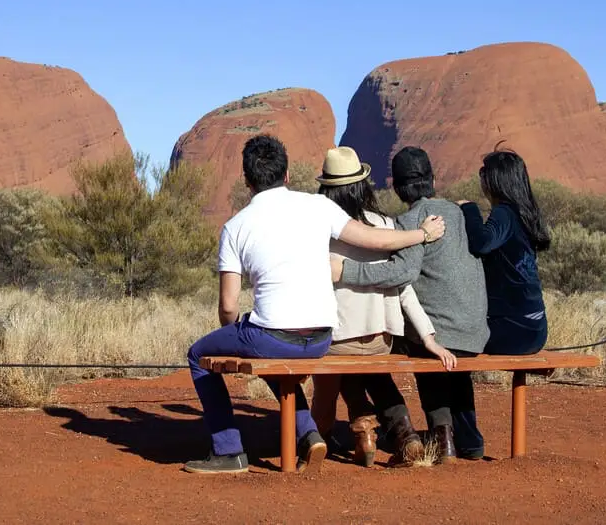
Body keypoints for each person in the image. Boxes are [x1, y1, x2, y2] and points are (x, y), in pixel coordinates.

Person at [183, 135, 446, 475]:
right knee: (271, 350)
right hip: (322, 336)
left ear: (247, 180)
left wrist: (233, 335)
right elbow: (376, 239)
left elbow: (228, 305)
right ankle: (308, 434)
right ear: (288, 174)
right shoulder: (318, 207)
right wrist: (421, 235)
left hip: (273, 336)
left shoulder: (235, 227)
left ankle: (228, 451)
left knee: (198, 355)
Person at [331, 146, 489, 461]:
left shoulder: (410, 220)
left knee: (378, 347)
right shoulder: (458, 212)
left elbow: (401, 273)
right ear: (432, 178)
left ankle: (433, 437)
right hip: (476, 330)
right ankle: (462, 440)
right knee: (431, 347)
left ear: (397, 186)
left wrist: (345, 271)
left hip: (444, 333)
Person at [310, 146, 454, 468]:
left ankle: (318, 439)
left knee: (328, 385)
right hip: (380, 340)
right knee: (361, 368)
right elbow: (402, 285)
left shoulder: (321, 230)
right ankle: (383, 434)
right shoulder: (387, 225)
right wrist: (427, 335)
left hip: (337, 339)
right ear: (362, 185)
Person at [457, 150, 552, 355]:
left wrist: (469, 209)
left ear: (495, 181)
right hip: (535, 329)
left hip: (513, 331)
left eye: (484, 175)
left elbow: (481, 243)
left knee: (449, 340)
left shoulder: (505, 213)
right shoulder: (526, 213)